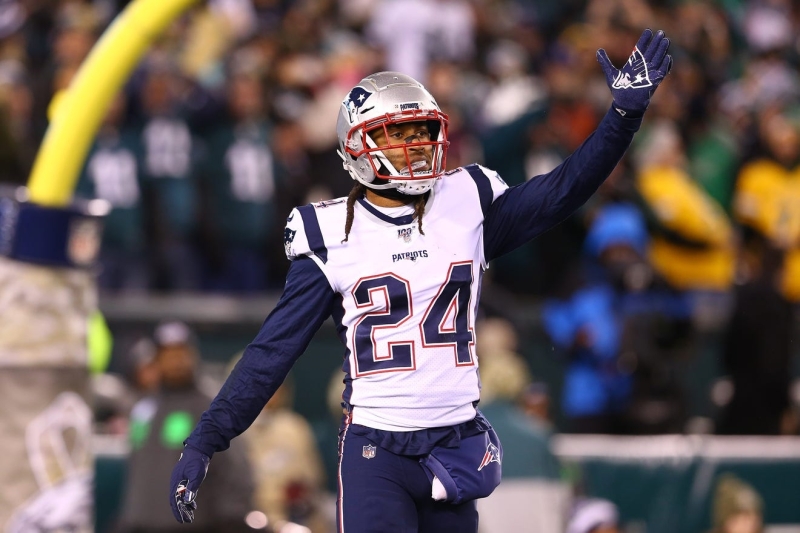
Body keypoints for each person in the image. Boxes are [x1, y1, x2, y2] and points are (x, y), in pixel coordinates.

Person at [169, 29, 672, 533]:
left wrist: (621, 118)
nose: (417, 144)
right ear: (358, 144)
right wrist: (205, 440)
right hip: (377, 449)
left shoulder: (466, 203)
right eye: (400, 133)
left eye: (423, 130)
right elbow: (271, 353)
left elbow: (564, 189)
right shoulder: (330, 232)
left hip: (454, 446)